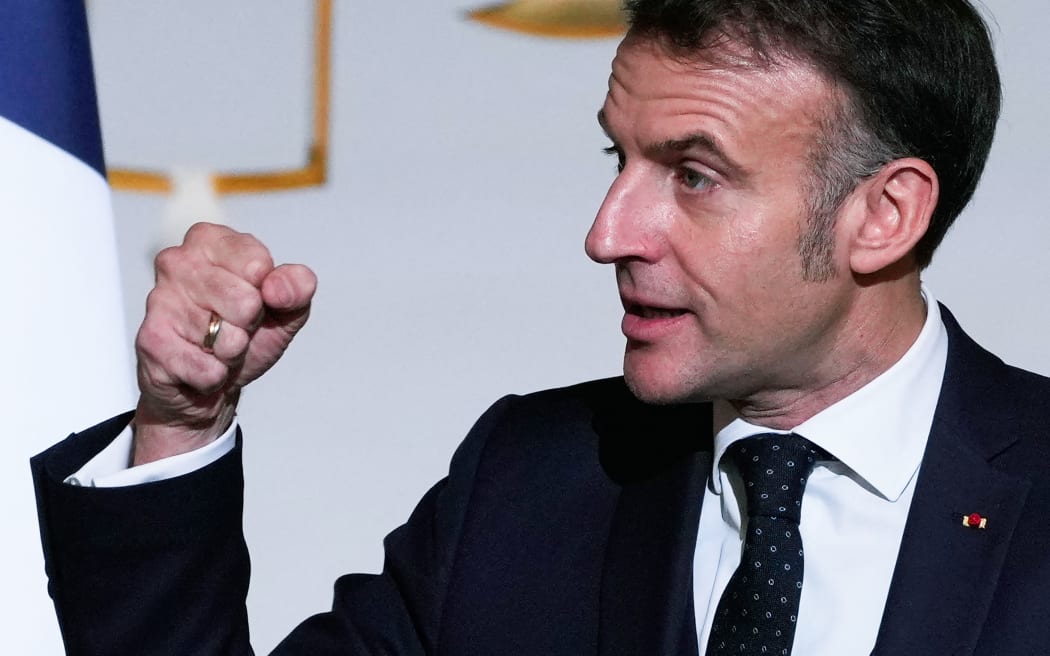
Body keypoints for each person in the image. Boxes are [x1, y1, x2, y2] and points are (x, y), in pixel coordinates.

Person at [31, 0, 1050, 654]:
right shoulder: (531, 482)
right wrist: (178, 424)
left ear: (885, 214)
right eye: (621, 161)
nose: (608, 234)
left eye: (695, 176)